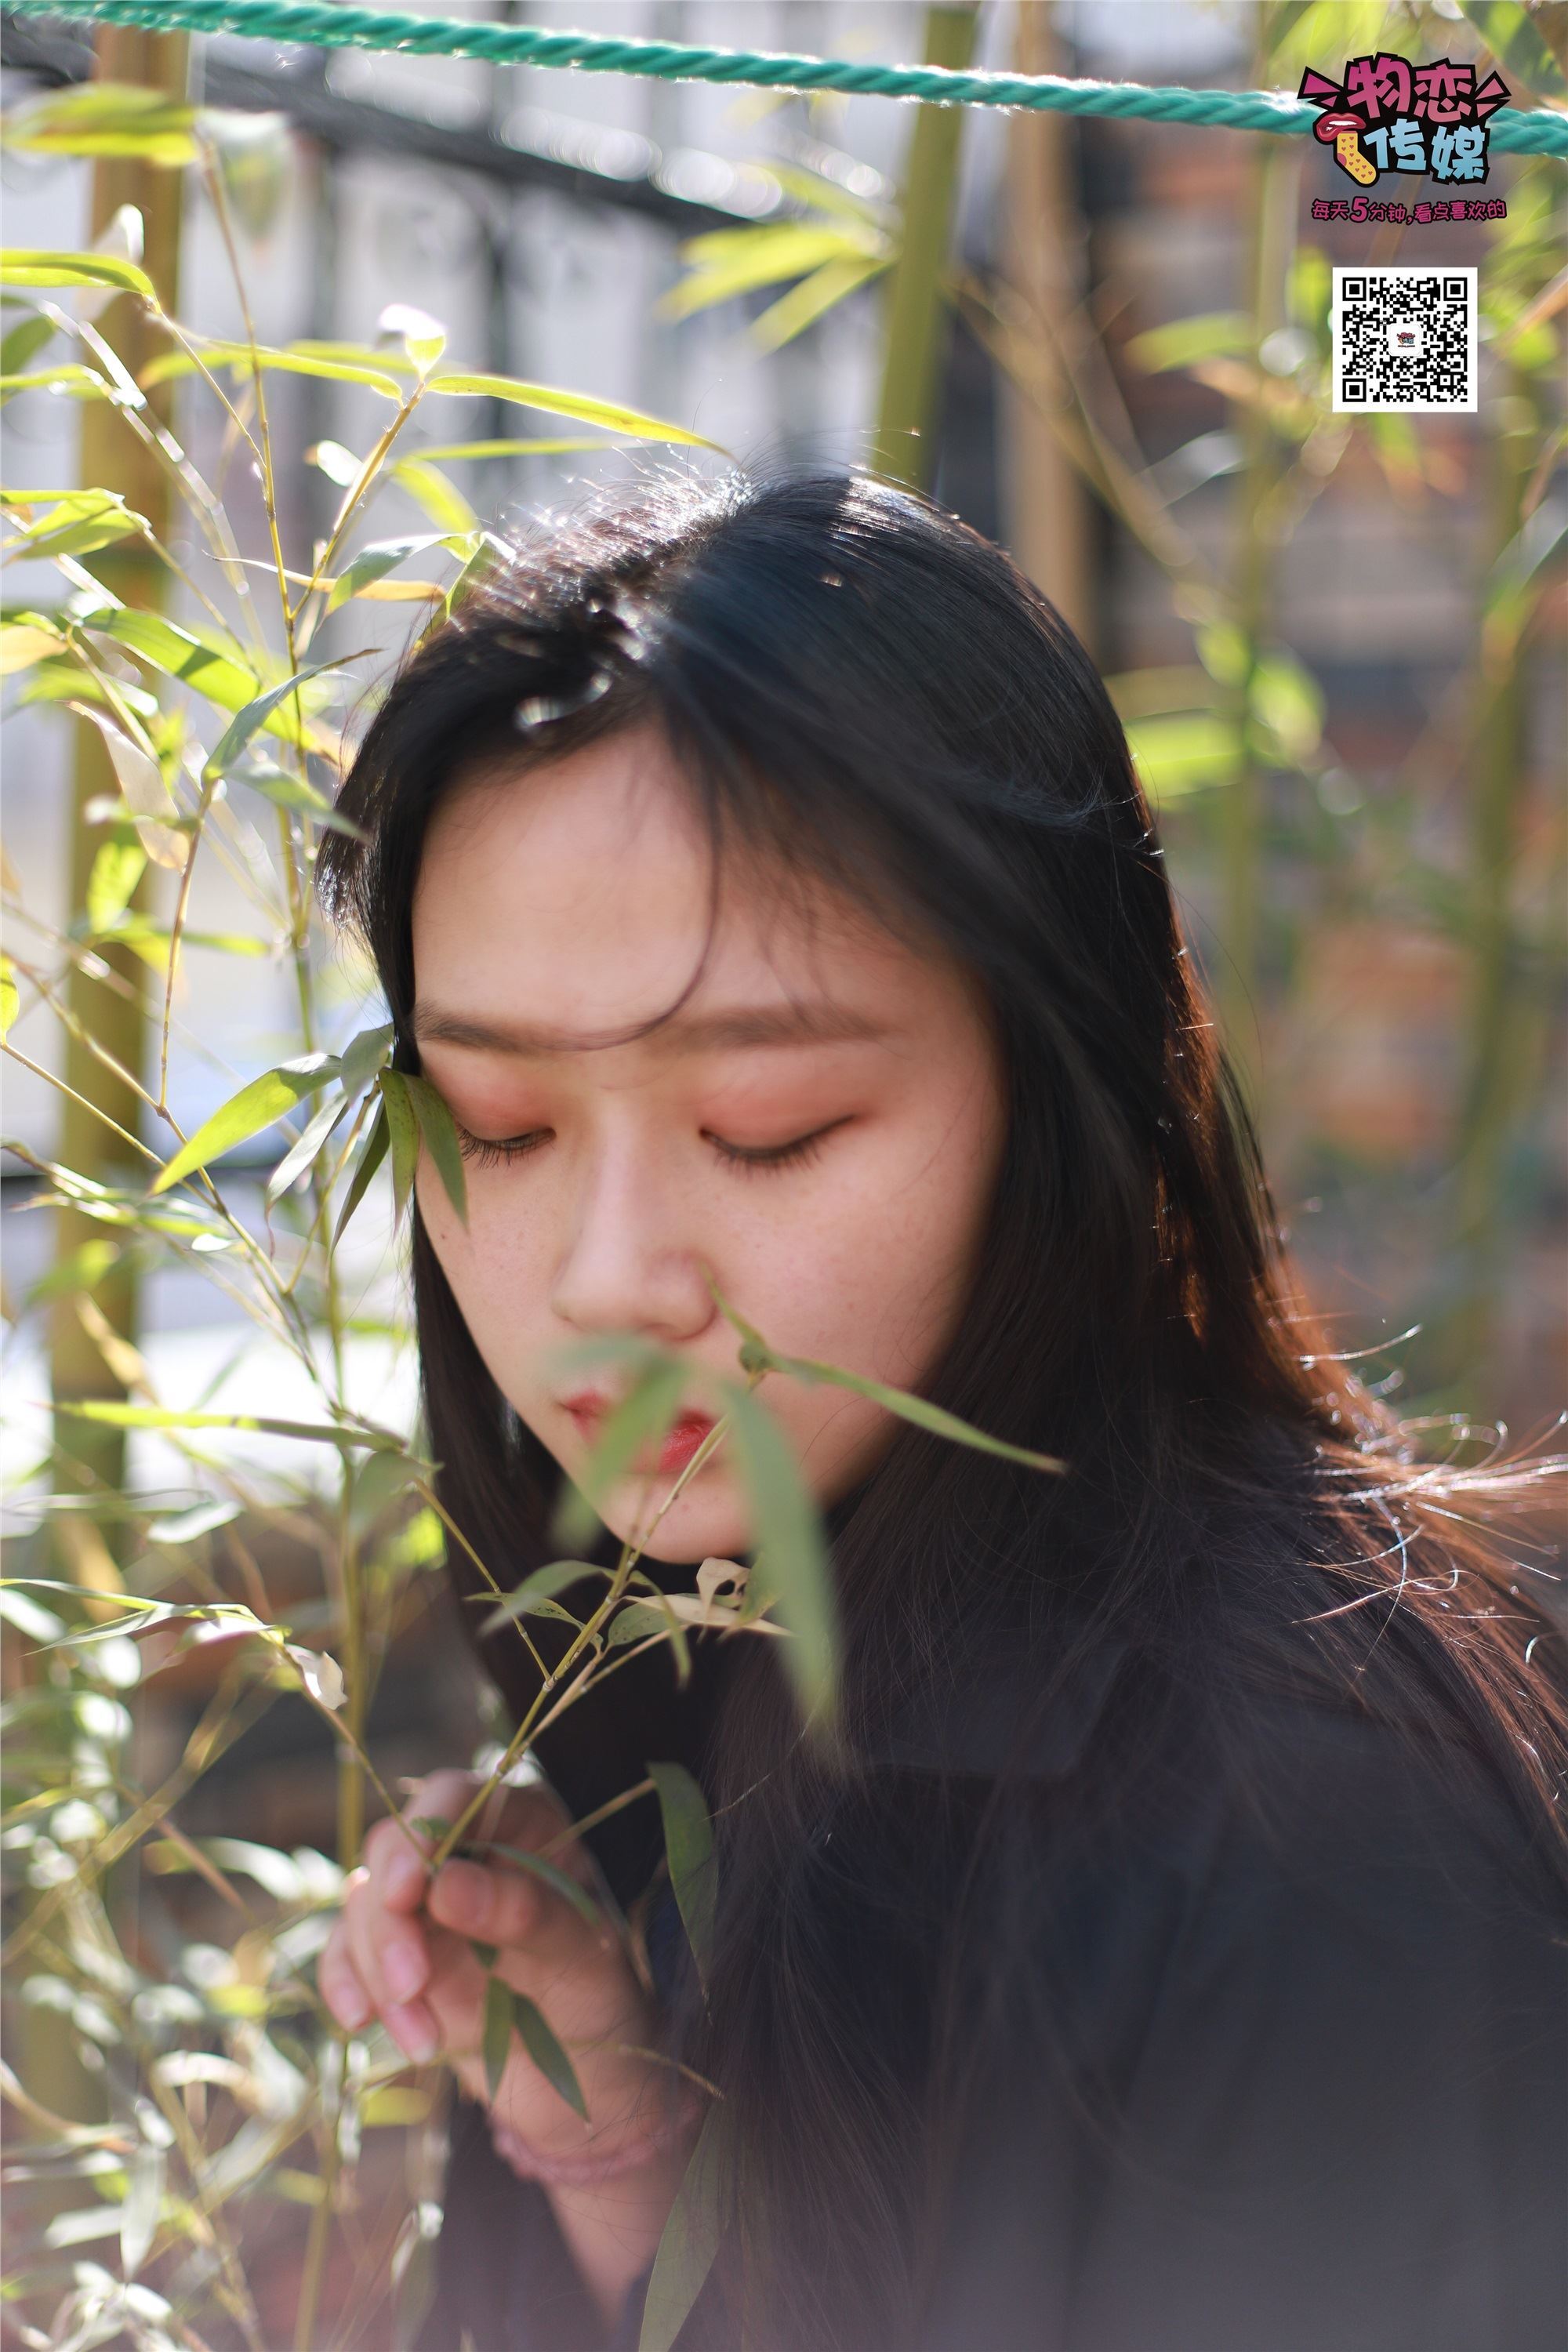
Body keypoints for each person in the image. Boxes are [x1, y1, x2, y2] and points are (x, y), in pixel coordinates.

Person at [315, 468, 1567, 2352]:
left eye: (767, 1130)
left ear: (1050, 1090)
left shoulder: (1304, 1837)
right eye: (498, 1128)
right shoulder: (696, 1645)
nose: (604, 1273)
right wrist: (617, 2142)